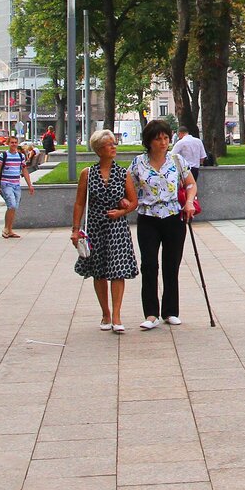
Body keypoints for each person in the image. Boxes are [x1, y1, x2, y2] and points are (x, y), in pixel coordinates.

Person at [129, 119, 197, 330]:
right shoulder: (138, 163)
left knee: (171, 264)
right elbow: (129, 187)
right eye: (158, 139)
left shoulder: (177, 160)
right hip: (148, 217)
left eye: (166, 138)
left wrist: (189, 202)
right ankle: (151, 313)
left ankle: (170, 311)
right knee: (149, 264)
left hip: (173, 216)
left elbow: (191, 184)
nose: (163, 142)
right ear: (149, 141)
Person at [72, 129, 139, 334]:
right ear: (99, 149)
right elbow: (79, 203)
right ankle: (105, 313)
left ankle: (117, 316)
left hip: (117, 227)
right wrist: (75, 229)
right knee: (98, 271)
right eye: (110, 144)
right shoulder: (88, 174)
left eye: (114, 143)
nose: (114, 147)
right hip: (95, 227)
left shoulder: (123, 173)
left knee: (118, 271)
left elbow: (134, 201)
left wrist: (122, 211)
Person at [0, 136, 35, 238]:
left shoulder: (21, 156)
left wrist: (30, 185)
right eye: (12, 142)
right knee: (11, 205)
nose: (14, 144)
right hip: (6, 184)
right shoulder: (3, 156)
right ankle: (6, 228)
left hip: (16, 184)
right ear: (8, 143)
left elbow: (24, 170)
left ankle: (10, 229)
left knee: (14, 207)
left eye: (15, 142)